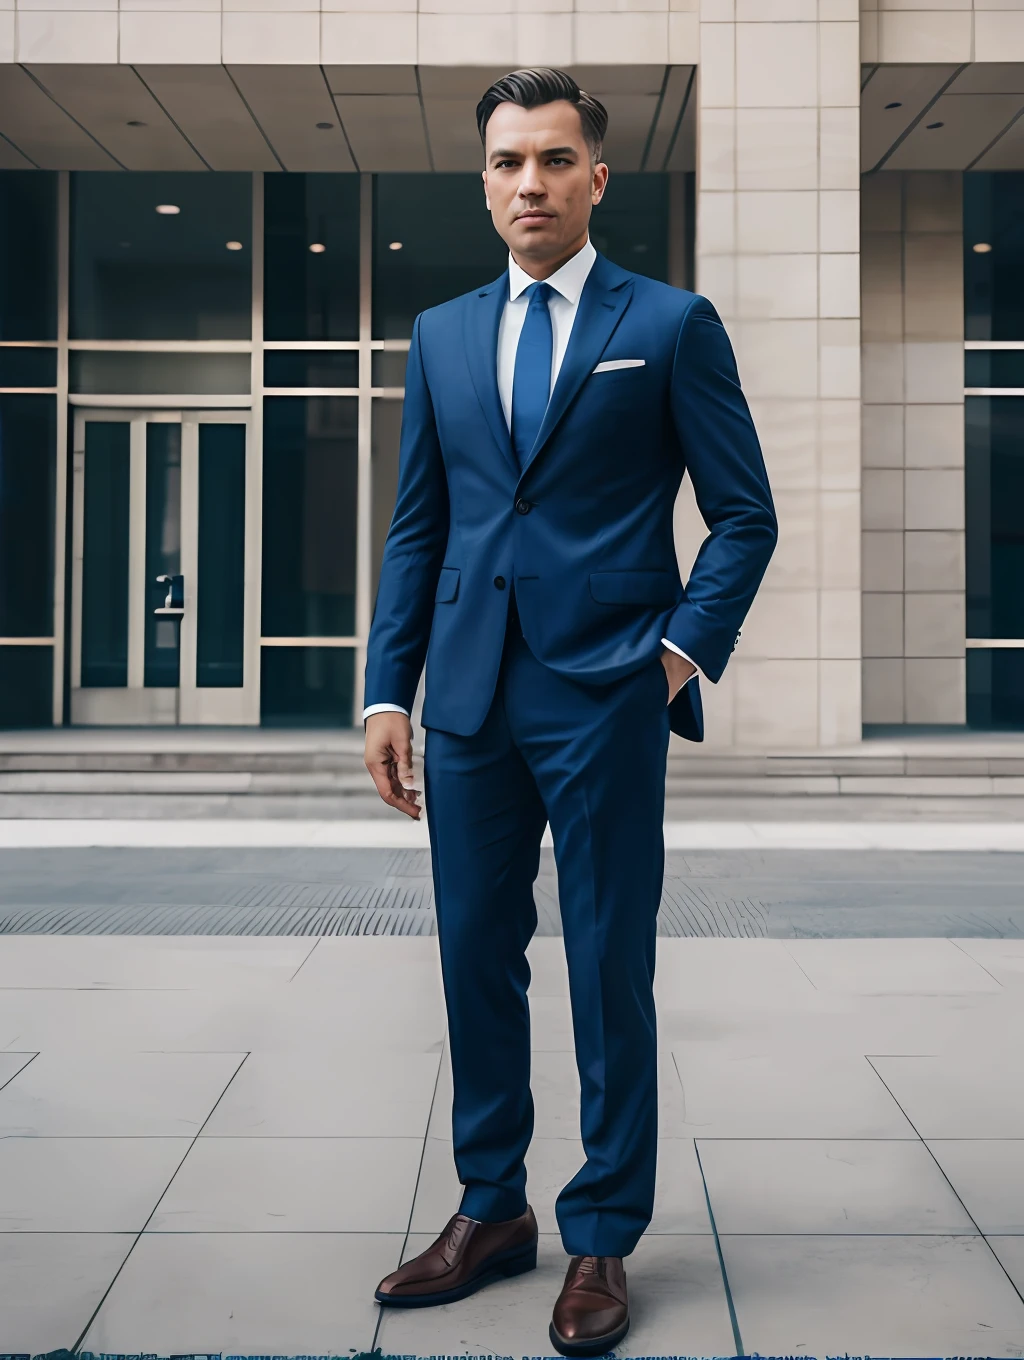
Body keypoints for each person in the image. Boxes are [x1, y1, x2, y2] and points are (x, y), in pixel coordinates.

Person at [362, 67, 777, 1357]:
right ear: (483, 180)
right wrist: (390, 685)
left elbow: (744, 515)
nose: (528, 183)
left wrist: (676, 656)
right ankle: (493, 1211)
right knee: (474, 955)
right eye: (506, 162)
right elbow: (419, 527)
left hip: (605, 694)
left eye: (552, 160)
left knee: (607, 962)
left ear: (598, 177)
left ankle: (600, 1231)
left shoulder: (671, 321)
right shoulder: (440, 334)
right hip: (471, 696)